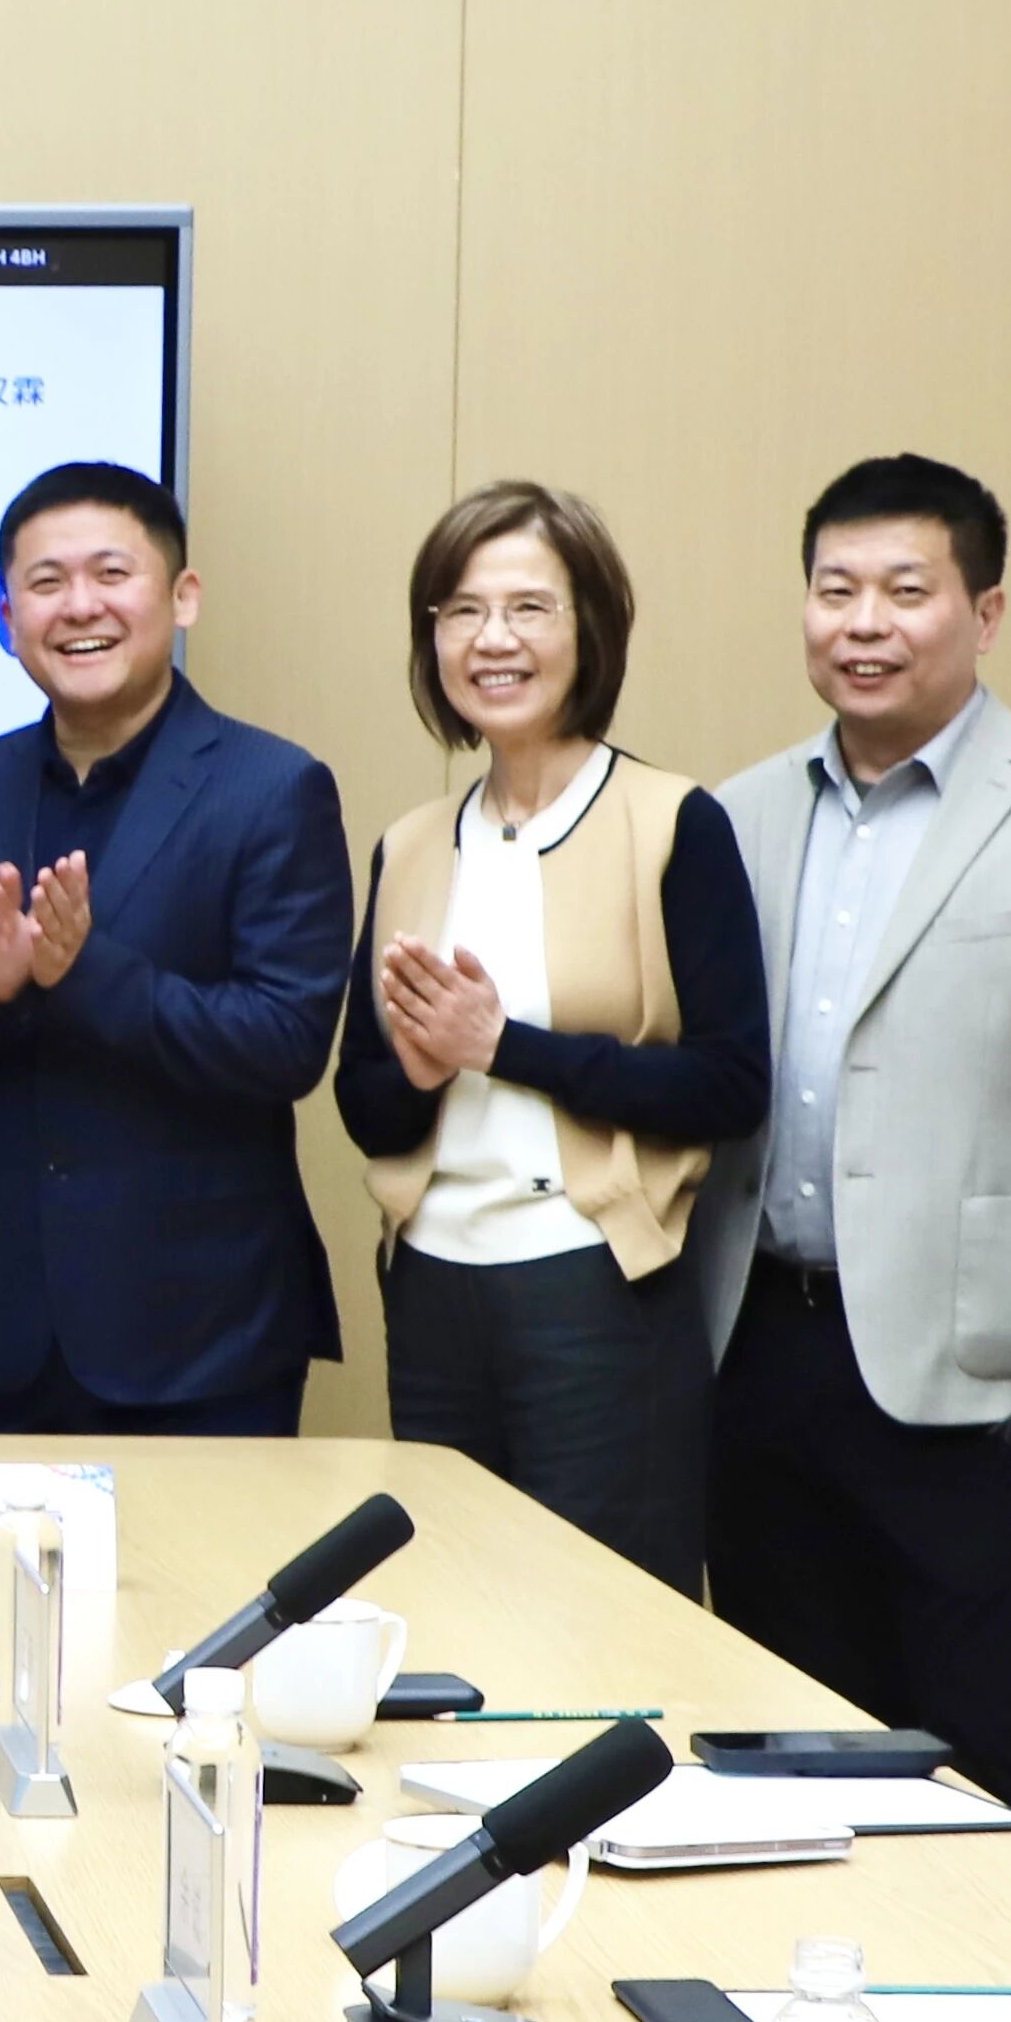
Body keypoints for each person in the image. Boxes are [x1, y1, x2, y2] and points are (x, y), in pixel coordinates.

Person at [694, 454, 1011, 1840]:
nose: (864, 622)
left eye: (905, 590)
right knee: (787, 1748)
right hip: (765, 1350)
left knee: (995, 1748)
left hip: (986, 1370)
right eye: (834, 589)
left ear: (984, 611)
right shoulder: (737, 814)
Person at [0, 462, 350, 1433]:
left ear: (181, 595)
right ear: (7, 616)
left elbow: (285, 1043)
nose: (79, 606)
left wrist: (85, 973)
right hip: (13, 1328)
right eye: (45, 583)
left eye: (111, 574)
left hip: (206, 1332)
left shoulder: (271, 788)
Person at [329, 485, 763, 1596]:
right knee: (452, 1609)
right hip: (431, 1285)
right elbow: (363, 1103)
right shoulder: (411, 843)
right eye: (462, 612)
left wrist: (502, 1046)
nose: (494, 639)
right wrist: (421, 1072)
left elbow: (729, 1083)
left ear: (590, 629)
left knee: (600, 1620)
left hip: (595, 1290)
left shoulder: (671, 822)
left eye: (529, 607)